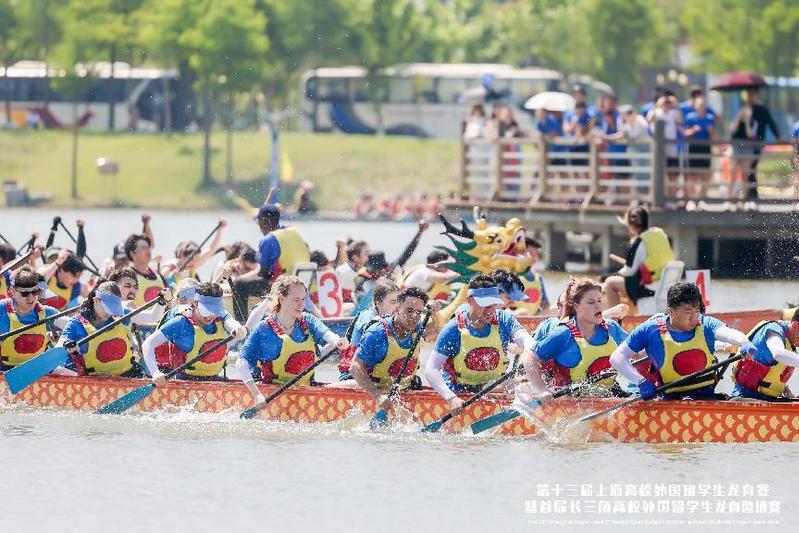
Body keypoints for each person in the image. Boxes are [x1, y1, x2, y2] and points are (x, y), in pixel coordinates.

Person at [423, 275, 550, 413]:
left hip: (493, 386)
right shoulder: (454, 329)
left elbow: (526, 340)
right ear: (469, 300)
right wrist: (451, 398)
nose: (490, 309)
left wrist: (531, 350)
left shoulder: (504, 319)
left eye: (494, 303)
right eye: (485, 304)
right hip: (460, 393)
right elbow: (431, 369)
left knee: (526, 385)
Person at [609, 282, 756, 400]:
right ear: (671, 311)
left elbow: (728, 334)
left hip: (707, 399)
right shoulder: (649, 330)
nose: (695, 318)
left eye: (697, 311)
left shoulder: (707, 324)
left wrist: (744, 342)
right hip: (671, 403)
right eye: (688, 312)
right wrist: (639, 381)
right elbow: (617, 357)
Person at [524, 279, 635, 396]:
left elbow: (637, 353)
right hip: (570, 398)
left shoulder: (610, 327)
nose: (598, 306)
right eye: (591, 302)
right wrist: (541, 389)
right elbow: (529, 356)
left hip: (611, 392)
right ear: (577, 306)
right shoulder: (563, 333)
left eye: (599, 300)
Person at [237, 275, 348, 386]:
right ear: (281, 299)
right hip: (271, 390)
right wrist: (255, 392)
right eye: (296, 300)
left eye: (303, 299)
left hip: (307, 390)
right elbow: (241, 361)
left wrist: (337, 340)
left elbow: (327, 334)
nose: (302, 304)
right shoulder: (264, 329)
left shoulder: (308, 321)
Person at [345, 288, 441, 408]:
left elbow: (434, 331)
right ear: (397, 308)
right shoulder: (377, 333)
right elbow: (355, 367)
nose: (414, 316)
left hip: (403, 390)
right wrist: (378, 396)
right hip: (376, 390)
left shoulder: (416, 328)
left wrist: (434, 314)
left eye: (418, 312)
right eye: (409, 310)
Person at [142, 282, 247, 382]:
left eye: (214, 311)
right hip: (183, 378)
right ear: (194, 304)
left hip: (213, 378)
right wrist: (155, 373)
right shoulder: (181, 323)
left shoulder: (221, 316)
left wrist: (239, 330)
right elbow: (147, 344)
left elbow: (235, 326)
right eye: (207, 310)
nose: (211, 316)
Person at [230, 204, 310, 323]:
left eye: (259, 221)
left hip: (283, 285)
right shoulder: (294, 231)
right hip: (302, 283)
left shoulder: (268, 240)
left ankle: (242, 326)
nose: (259, 226)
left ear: (263, 221)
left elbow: (262, 273)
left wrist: (241, 278)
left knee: (239, 284)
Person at [58, 282, 138, 377]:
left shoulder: (124, 313)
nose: (111, 313)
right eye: (108, 308)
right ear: (96, 300)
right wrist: (66, 345)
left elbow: (151, 317)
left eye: (114, 308)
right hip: (94, 380)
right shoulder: (76, 324)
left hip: (129, 374)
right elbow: (59, 348)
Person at [603, 205, 675, 308]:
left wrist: (606, 276)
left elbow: (629, 271)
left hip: (649, 288)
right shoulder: (660, 234)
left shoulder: (639, 242)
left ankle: (615, 317)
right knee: (629, 282)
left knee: (610, 282)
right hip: (665, 287)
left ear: (631, 224)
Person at [334, 278, 400, 382]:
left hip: (374, 376)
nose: (397, 307)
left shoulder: (390, 319)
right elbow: (371, 331)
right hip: (352, 376)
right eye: (392, 302)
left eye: (398, 302)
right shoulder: (367, 316)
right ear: (378, 302)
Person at [730, 310, 799, 401]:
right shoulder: (773, 330)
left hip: (768, 398)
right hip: (746, 396)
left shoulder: (790, 341)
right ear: (795, 326)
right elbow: (778, 354)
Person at [0, 268, 60, 369]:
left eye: (35, 292)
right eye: (25, 293)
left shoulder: (49, 313)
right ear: (13, 291)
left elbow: (75, 327)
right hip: (5, 369)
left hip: (38, 370)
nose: (31, 298)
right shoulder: (2, 310)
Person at [730, 88, 781, 201]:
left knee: (750, 171)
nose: (751, 97)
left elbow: (771, 124)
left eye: (753, 94)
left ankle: (751, 196)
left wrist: (778, 137)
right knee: (741, 172)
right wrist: (741, 116)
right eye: (749, 94)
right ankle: (746, 196)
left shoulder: (762, 110)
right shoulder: (741, 109)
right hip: (741, 145)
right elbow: (733, 129)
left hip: (755, 145)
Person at [161, 218, 226, 284]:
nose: (195, 262)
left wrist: (220, 229)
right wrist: (171, 274)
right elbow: (160, 279)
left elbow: (211, 249)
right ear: (182, 255)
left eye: (196, 258)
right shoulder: (172, 265)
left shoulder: (194, 264)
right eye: (192, 259)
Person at [682, 96, 716, 197]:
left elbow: (714, 136)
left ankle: (702, 197)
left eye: (703, 105)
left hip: (706, 148)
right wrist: (693, 130)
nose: (702, 107)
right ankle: (692, 198)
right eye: (700, 105)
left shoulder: (710, 118)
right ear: (695, 106)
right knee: (692, 175)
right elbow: (684, 133)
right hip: (693, 148)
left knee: (705, 174)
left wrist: (711, 131)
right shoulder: (689, 117)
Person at [124, 233, 168, 308]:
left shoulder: (158, 275)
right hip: (138, 315)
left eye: (148, 247)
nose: (148, 251)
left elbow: (169, 299)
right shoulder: (127, 275)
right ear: (132, 253)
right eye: (143, 248)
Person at [514, 237, 551, 316]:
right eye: (530, 254)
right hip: (515, 316)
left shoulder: (538, 277)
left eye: (536, 254)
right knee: (523, 312)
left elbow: (545, 303)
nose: (534, 258)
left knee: (555, 309)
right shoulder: (512, 274)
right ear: (520, 253)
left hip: (533, 318)